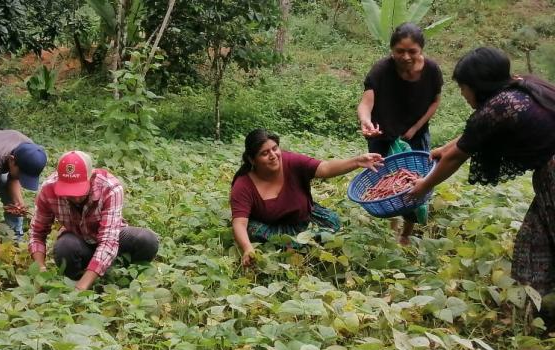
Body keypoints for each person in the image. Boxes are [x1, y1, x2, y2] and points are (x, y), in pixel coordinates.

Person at [408, 47, 555, 330]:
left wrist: (423, 186)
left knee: (538, 242)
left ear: (478, 85)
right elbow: (471, 136)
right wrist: (441, 148)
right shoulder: (520, 88)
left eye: (463, 87)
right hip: (548, 176)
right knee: (534, 241)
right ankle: (540, 319)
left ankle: (541, 319)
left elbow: (458, 156)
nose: (462, 94)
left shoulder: (498, 107)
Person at [230, 129, 384, 267]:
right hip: (272, 227)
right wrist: (248, 248)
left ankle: (303, 245)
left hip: (303, 219)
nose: (273, 156)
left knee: (333, 223)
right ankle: (296, 247)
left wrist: (356, 161)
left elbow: (325, 168)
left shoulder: (291, 161)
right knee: (254, 232)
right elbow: (239, 223)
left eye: (275, 149)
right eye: (264, 153)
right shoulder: (243, 184)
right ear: (252, 160)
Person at [357, 22, 444, 245]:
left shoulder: (432, 71)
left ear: (421, 49)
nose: (406, 56)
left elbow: (435, 102)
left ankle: (406, 233)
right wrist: (366, 121)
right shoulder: (381, 70)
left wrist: (415, 128)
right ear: (392, 50)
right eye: (400, 51)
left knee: (414, 182)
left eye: (412, 51)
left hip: (415, 135)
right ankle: (391, 220)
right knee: (385, 182)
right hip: (382, 135)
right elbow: (366, 102)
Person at [28, 151, 159, 291]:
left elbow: (109, 240)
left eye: (79, 190)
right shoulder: (49, 188)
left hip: (113, 240)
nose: (75, 197)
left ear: (91, 177)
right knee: (64, 247)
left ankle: (130, 280)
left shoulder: (110, 187)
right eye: (69, 192)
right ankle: (75, 278)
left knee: (147, 239)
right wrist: (40, 269)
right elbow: (37, 233)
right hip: (78, 241)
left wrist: (81, 288)